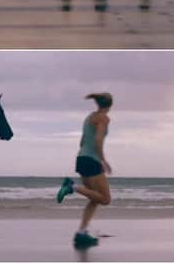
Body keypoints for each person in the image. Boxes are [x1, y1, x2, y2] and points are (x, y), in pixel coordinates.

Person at [56, 93, 113, 248]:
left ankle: (81, 233)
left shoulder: (89, 118)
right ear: (110, 105)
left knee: (94, 199)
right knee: (105, 199)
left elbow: (82, 141)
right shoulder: (103, 118)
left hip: (81, 158)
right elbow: (98, 139)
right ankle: (71, 186)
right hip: (91, 160)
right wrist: (103, 160)